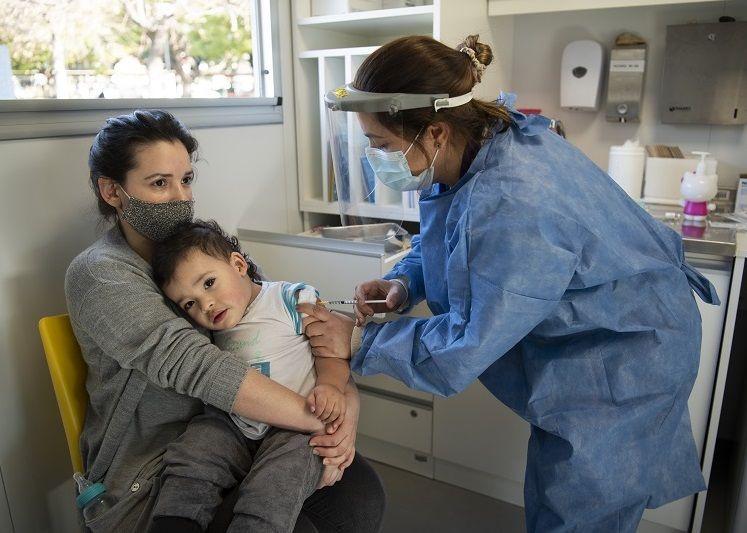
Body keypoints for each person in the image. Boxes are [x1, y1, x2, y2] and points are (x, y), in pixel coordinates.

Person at [299, 34, 719, 533]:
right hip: (590, 343)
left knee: (581, 510)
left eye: (381, 145)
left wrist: (359, 339)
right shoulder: (476, 145)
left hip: (624, 357)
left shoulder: (514, 199)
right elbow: (453, 234)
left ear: (435, 131)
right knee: (558, 491)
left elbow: (468, 339)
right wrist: (407, 281)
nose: (374, 157)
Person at [64, 109, 385, 532]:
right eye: (159, 183)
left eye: (186, 180)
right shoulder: (100, 273)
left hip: (253, 434)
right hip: (161, 470)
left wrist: (346, 404)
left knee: (361, 495)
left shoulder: (202, 252)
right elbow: (199, 367)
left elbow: (292, 335)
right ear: (112, 191)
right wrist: (326, 421)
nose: (180, 197)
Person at [148, 219, 350, 531]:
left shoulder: (291, 299)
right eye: (190, 303)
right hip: (232, 423)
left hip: (296, 427)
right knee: (194, 452)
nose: (206, 304)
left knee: (278, 481)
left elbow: (332, 349)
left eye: (209, 283)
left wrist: (331, 386)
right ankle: (174, 522)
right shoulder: (206, 330)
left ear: (239, 265)